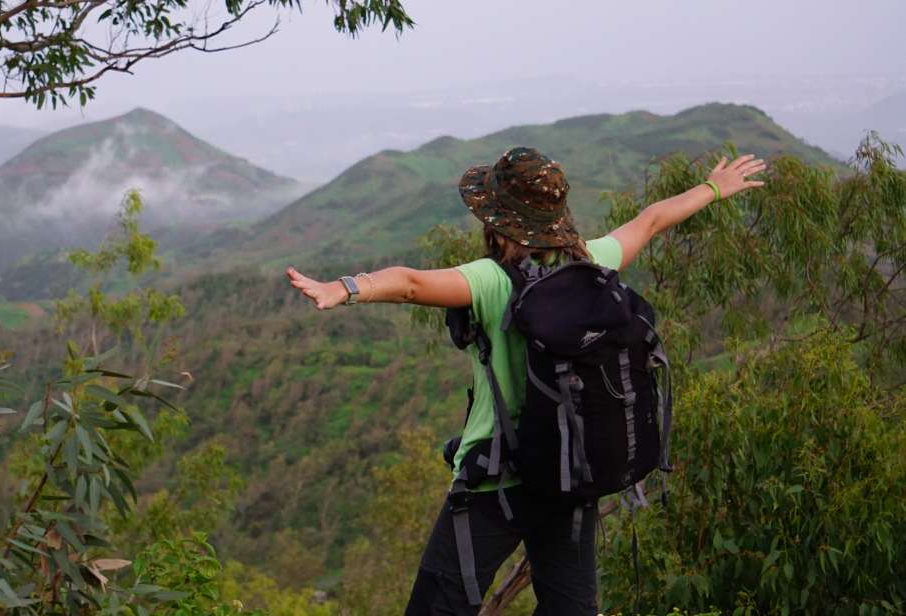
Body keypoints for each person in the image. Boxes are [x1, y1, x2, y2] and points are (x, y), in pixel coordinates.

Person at [285, 147, 767, 615]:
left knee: (441, 604)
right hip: (570, 475)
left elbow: (410, 283)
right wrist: (712, 188)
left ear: (496, 222)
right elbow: (651, 221)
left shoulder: (492, 281)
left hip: (494, 480)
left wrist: (344, 289)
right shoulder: (594, 262)